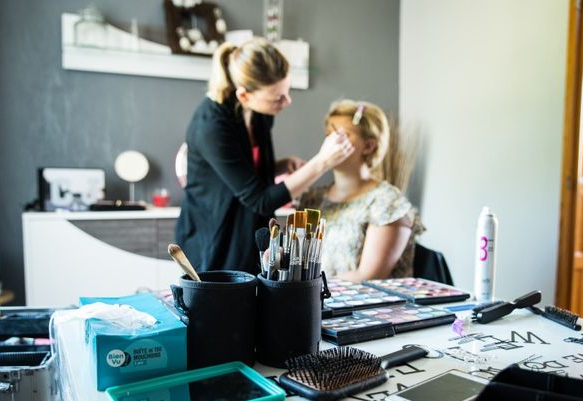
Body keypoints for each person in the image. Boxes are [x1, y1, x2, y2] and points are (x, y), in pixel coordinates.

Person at [175, 38, 354, 274]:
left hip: (248, 231)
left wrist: (278, 166)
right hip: (214, 237)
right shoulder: (212, 127)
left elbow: (246, 170)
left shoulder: (260, 112)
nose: (286, 102)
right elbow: (260, 200)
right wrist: (322, 162)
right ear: (244, 96)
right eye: (277, 97)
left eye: (287, 91)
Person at [299, 99, 424, 281]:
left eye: (340, 136)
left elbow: (368, 276)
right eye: (328, 135)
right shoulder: (312, 199)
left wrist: (308, 288)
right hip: (316, 304)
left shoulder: (386, 202)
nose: (330, 143)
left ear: (368, 146)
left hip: (364, 306)